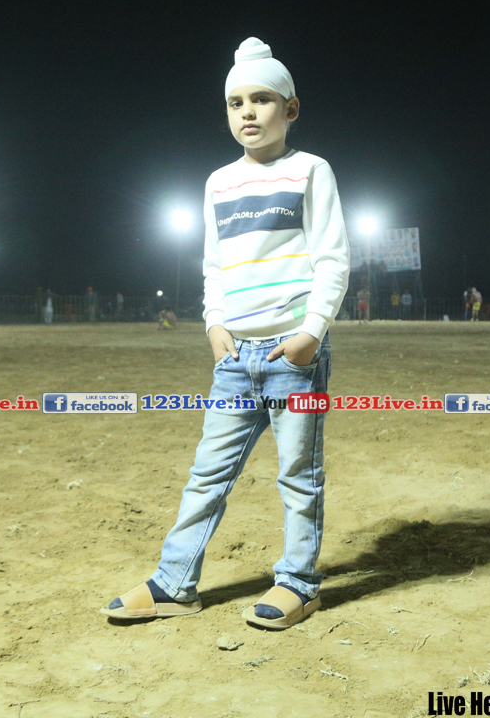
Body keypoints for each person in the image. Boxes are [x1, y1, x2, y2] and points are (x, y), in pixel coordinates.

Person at [103, 37, 350, 630]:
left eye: (262, 99)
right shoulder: (217, 183)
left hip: (293, 356)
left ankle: (298, 583)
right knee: (207, 474)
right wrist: (214, 324)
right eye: (236, 102)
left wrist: (310, 333)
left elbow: (333, 259)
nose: (248, 112)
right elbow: (213, 264)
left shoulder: (311, 171)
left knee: (298, 476)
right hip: (235, 359)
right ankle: (175, 582)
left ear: (290, 108)